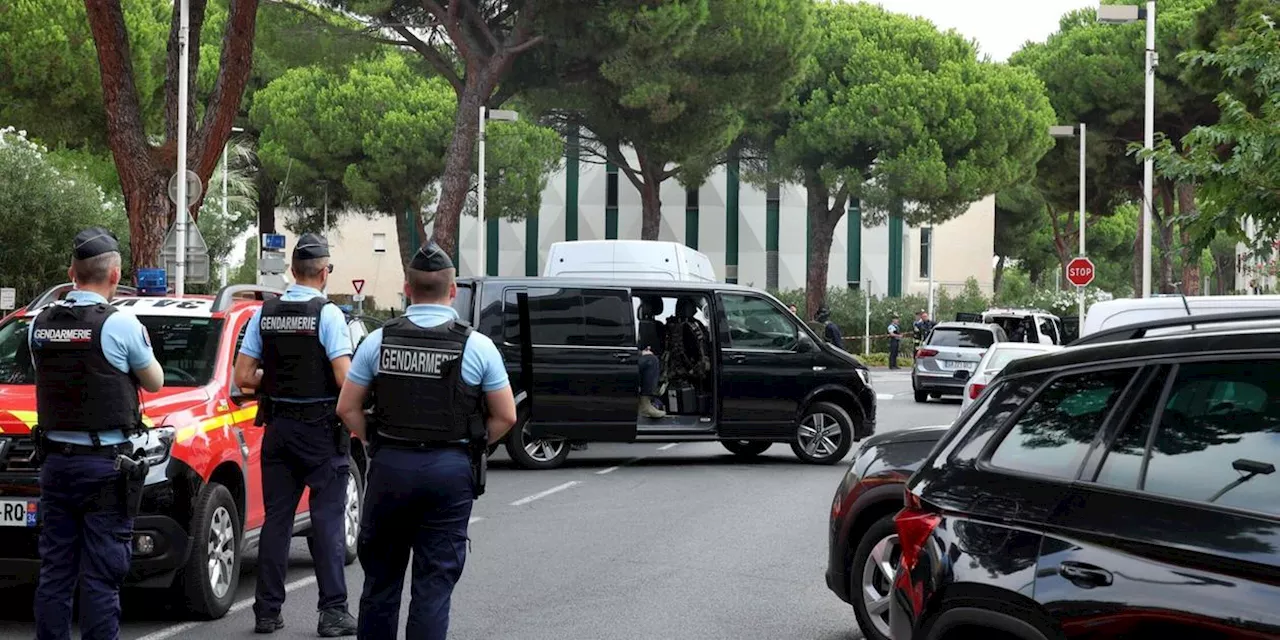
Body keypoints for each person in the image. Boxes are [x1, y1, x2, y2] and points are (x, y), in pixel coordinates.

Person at [336, 240, 517, 640]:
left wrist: (372, 442)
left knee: (380, 584)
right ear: (452, 291)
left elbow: (347, 408)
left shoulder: (378, 341)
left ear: (407, 287)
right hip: (449, 472)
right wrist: (473, 445)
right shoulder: (477, 346)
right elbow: (506, 415)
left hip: (389, 468)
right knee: (433, 588)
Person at [30, 227, 164, 640]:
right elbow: (154, 381)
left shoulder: (40, 323)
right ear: (115, 274)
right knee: (101, 575)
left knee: (55, 572)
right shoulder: (120, 325)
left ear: (72, 272)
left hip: (55, 465)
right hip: (104, 469)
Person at [233, 233, 357, 637]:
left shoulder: (264, 314)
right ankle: (332, 612)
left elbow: (244, 377)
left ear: (292, 271)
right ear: (323, 272)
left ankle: (267, 612)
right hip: (320, 430)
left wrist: (278, 380)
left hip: (278, 430)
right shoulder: (329, 315)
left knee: (277, 522)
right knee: (325, 521)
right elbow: (343, 378)